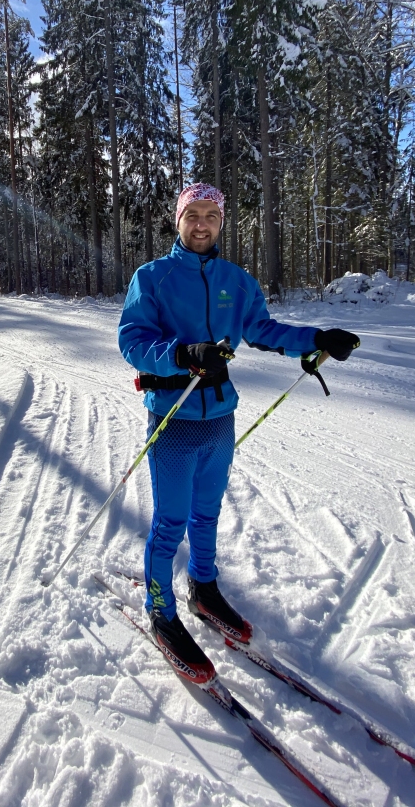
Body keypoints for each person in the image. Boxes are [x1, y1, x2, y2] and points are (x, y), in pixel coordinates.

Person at [118, 182, 359, 682]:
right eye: (193, 214)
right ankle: (161, 610)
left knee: (207, 514)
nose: (201, 223)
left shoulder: (236, 280)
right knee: (171, 522)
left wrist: (317, 339)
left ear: (221, 222)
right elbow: (133, 340)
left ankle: (203, 588)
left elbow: (263, 329)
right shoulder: (153, 277)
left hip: (219, 420)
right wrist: (183, 354)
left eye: (211, 214)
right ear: (178, 220)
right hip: (175, 420)